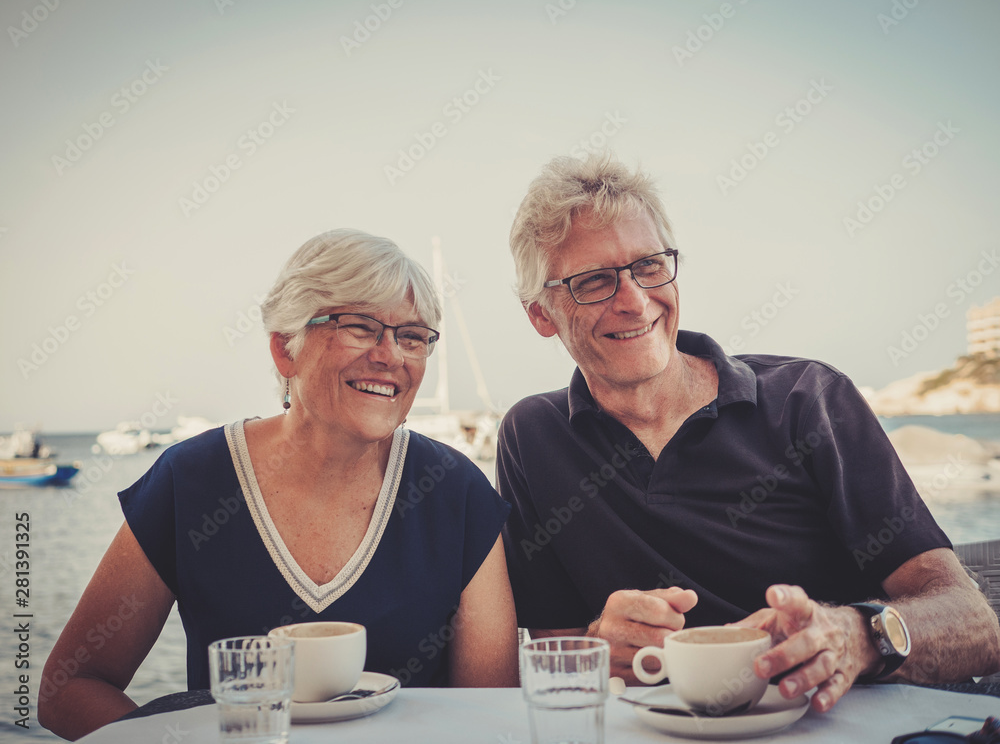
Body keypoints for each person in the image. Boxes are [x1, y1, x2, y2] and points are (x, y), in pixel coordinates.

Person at [498, 154, 1000, 714]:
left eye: (649, 266)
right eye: (594, 281)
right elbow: (538, 643)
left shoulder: (808, 399)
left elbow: (974, 623)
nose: (635, 300)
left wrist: (855, 637)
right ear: (541, 315)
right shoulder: (531, 436)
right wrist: (595, 642)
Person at [39, 229, 518, 740]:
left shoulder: (455, 492)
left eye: (413, 336)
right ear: (285, 350)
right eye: (360, 327)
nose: (391, 355)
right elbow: (68, 688)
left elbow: (489, 715)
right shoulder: (192, 481)